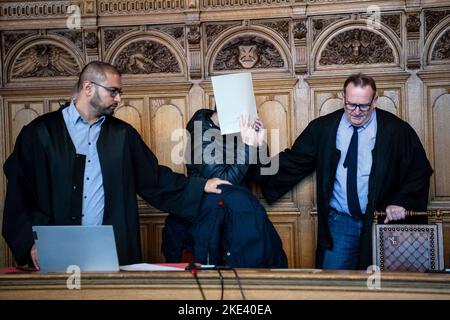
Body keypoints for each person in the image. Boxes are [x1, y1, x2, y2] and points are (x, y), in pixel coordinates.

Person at [2, 61, 229, 269]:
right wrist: (29, 245)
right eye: (113, 91)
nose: (119, 99)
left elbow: (153, 179)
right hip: (58, 249)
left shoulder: (123, 135)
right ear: (88, 87)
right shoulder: (40, 133)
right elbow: (19, 194)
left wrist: (200, 186)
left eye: (119, 92)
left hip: (110, 251)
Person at [255, 73, 433, 270]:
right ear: (343, 98)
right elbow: (292, 162)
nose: (356, 112)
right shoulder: (323, 128)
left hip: (382, 223)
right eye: (351, 104)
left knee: (385, 288)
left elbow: (419, 172)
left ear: (375, 101)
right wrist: (256, 148)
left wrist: (401, 201)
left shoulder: (396, 130)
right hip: (341, 224)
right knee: (334, 287)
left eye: (363, 106)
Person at [162, 108, 288, 268]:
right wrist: (248, 145)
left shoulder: (236, 132)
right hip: (207, 221)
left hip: (235, 218)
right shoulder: (200, 135)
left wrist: (259, 143)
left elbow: (263, 174)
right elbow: (225, 182)